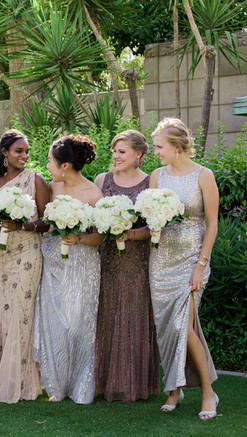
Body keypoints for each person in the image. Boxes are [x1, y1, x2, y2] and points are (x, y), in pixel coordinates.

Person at [149, 118, 219, 420]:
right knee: (165, 326)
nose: (156, 153)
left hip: (192, 258)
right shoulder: (156, 175)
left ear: (178, 148)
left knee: (183, 327)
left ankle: (208, 392)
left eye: (160, 147)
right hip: (161, 259)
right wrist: (152, 226)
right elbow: (150, 213)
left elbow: (213, 223)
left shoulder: (204, 175)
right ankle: (174, 389)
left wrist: (200, 265)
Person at [33, 134, 102, 404]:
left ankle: (82, 385)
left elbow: (100, 237)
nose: (47, 166)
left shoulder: (94, 194)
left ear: (65, 166)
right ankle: (57, 385)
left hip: (82, 264)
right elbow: (46, 225)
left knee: (79, 326)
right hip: (53, 264)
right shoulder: (52, 188)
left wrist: (79, 239)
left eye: (50, 161)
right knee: (54, 324)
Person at [93, 130, 161, 402]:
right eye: (114, 150)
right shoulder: (102, 180)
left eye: (122, 151)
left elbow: (155, 227)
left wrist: (130, 234)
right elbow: (95, 219)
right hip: (108, 259)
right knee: (108, 315)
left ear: (139, 155)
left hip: (137, 260)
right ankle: (104, 382)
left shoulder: (150, 182)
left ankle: (134, 383)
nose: (116, 156)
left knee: (134, 316)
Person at [0, 129, 49, 403]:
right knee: (2, 309)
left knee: (22, 312)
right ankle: (3, 376)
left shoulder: (36, 180)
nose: (24, 156)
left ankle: (24, 382)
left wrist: (22, 224)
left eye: (26, 151)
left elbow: (48, 221)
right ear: (5, 152)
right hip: (1, 255)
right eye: (18, 151)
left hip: (28, 252)